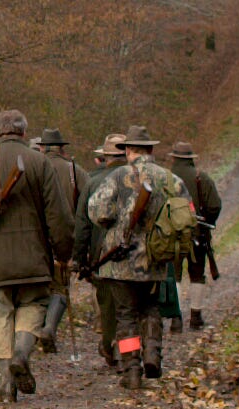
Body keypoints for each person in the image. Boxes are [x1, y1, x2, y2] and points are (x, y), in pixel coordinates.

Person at [0, 110, 73, 402]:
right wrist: (63, 251)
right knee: (31, 307)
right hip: (33, 257)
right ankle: (22, 353)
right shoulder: (40, 162)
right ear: (23, 132)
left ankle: (7, 383)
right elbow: (59, 215)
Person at [86, 126, 191, 389]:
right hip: (155, 258)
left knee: (125, 315)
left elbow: (99, 212)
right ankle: (153, 354)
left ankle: (132, 368)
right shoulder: (171, 180)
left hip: (120, 260)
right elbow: (185, 216)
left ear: (129, 150)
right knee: (150, 308)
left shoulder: (118, 176)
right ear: (151, 150)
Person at [74, 134, 129, 368]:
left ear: (104, 157)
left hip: (102, 257)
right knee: (130, 312)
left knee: (107, 310)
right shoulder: (138, 179)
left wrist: (79, 258)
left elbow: (82, 225)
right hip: (136, 257)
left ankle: (111, 347)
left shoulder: (92, 182)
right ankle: (130, 352)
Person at [38, 128, 90, 352]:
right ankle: (49, 327)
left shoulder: (34, 167)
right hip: (65, 236)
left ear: (43, 147)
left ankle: (32, 332)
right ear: (62, 148)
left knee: (36, 287)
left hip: (34, 238)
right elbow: (88, 207)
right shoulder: (75, 171)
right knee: (60, 286)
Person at [164, 141, 222, 331]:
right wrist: (206, 222)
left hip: (171, 236)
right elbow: (215, 205)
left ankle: (176, 318)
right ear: (191, 159)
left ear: (174, 158)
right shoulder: (201, 178)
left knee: (175, 275)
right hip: (198, 234)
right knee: (197, 274)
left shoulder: (165, 179)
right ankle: (195, 317)